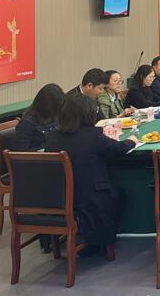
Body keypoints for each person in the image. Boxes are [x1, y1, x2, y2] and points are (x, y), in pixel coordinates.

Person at [44, 93, 137, 255]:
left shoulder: (52, 137)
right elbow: (119, 148)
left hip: (58, 199)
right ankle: (103, 239)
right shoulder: (93, 136)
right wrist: (132, 141)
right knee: (118, 194)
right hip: (88, 200)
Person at [13, 83, 65, 151]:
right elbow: (21, 153)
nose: (57, 112)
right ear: (47, 106)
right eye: (55, 108)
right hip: (38, 156)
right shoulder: (26, 123)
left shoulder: (55, 116)